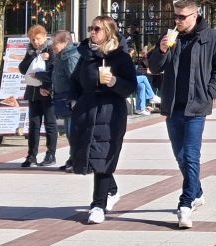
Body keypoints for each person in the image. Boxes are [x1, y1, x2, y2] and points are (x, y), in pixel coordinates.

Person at [147, 0, 216, 230]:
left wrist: (210, 92)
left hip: (196, 106)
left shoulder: (210, 37)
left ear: (195, 15)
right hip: (173, 105)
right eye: (175, 16)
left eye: (182, 17)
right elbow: (154, 67)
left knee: (191, 156)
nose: (177, 21)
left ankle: (185, 204)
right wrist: (161, 50)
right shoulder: (171, 36)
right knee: (180, 156)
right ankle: (197, 191)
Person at [70, 15, 136, 225]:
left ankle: (98, 206)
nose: (92, 31)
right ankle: (112, 190)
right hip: (86, 111)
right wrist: (73, 101)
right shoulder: (86, 55)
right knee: (90, 156)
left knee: (104, 158)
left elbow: (131, 86)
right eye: (91, 27)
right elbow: (75, 81)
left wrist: (114, 81)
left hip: (110, 112)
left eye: (97, 29)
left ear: (108, 32)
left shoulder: (121, 57)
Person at [19, 25, 57, 168]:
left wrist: (47, 88)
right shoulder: (30, 51)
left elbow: (55, 71)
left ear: (45, 37)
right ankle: (31, 155)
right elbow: (22, 68)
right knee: (34, 124)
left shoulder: (51, 50)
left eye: (38, 39)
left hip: (47, 93)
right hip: (33, 93)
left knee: (50, 123)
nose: (35, 42)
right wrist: (34, 56)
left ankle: (51, 154)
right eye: (33, 39)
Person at [50, 30, 80, 172]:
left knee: (73, 132)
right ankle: (72, 158)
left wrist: (74, 99)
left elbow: (75, 79)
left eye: (55, 43)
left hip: (70, 99)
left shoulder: (70, 57)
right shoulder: (61, 56)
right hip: (64, 97)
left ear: (65, 42)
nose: (52, 46)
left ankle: (76, 160)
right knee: (69, 132)